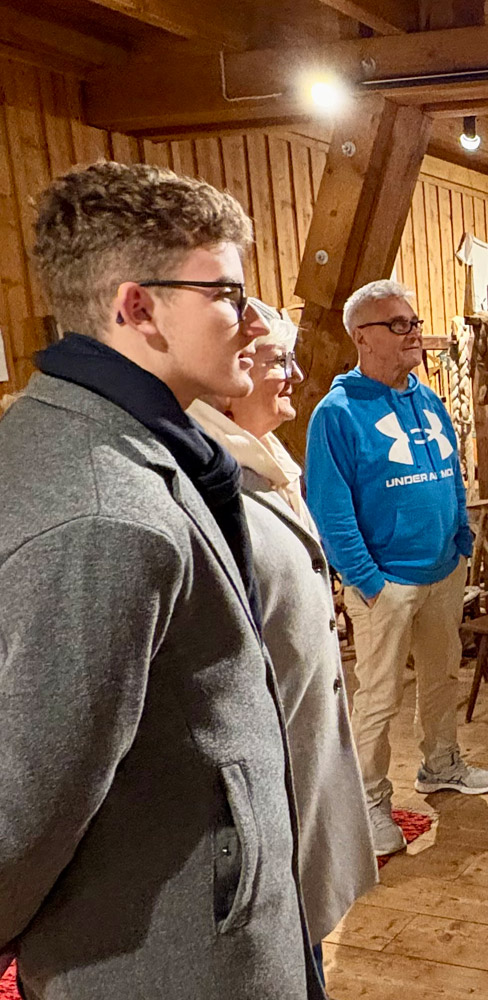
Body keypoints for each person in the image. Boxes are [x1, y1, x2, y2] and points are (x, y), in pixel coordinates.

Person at [0, 162, 323, 998]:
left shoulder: (112, 439)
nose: (252, 322)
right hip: (167, 955)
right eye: (226, 293)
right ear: (137, 307)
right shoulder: (107, 510)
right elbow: (25, 810)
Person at [188, 298, 376, 983]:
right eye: (276, 361)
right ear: (226, 375)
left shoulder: (264, 463)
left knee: (306, 947)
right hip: (264, 793)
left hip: (301, 765)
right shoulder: (210, 485)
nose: (294, 374)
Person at [305, 279, 488, 858]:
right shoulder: (335, 414)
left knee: (442, 679)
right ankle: (368, 800)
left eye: (414, 321)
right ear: (362, 336)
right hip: (385, 582)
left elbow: (450, 473)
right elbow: (331, 509)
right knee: (379, 697)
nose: (414, 331)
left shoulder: (426, 398)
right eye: (399, 324)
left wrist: (461, 537)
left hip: (443, 570)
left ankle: (440, 765)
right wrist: (368, 581)